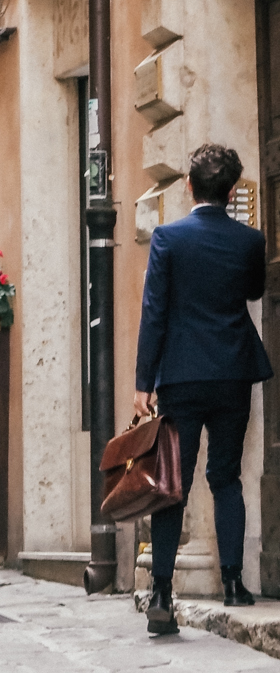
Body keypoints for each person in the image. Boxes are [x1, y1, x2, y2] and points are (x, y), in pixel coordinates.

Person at [134, 143, 272, 635]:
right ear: (231, 191)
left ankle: (162, 592)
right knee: (226, 477)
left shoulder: (168, 238)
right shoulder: (250, 241)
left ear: (189, 186)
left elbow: (155, 313)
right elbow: (254, 291)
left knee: (173, 486)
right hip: (233, 370)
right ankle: (234, 583)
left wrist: (142, 383)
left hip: (181, 375)